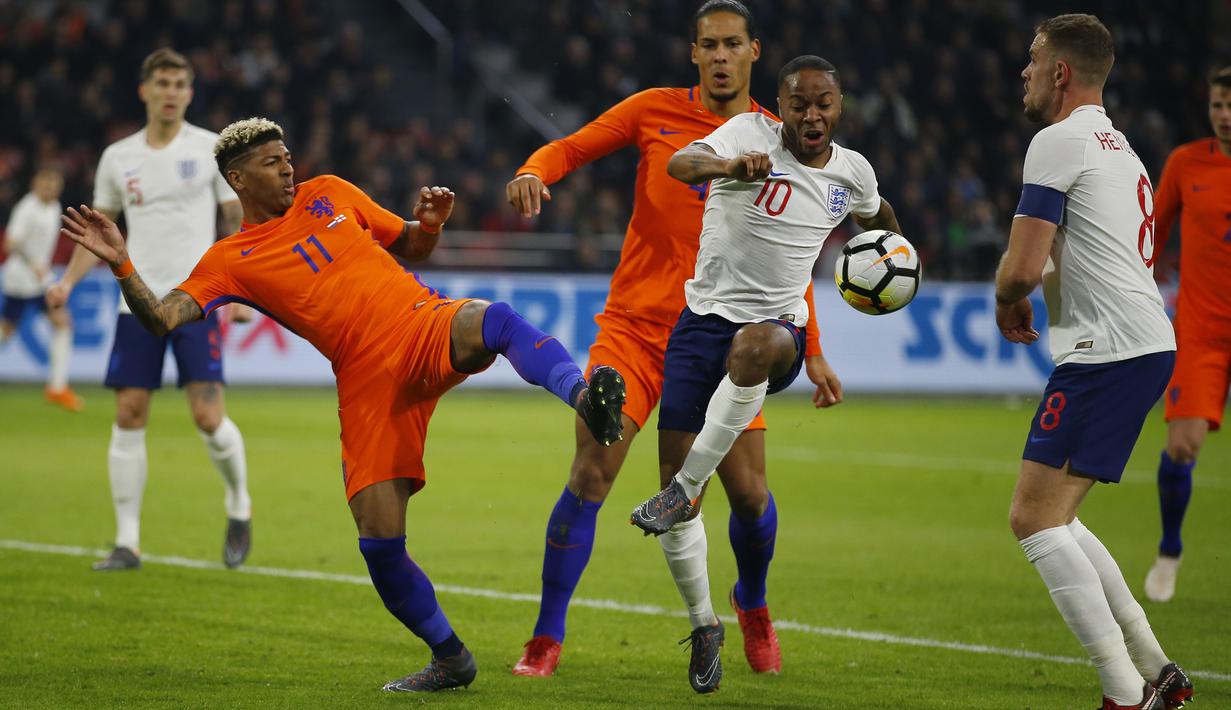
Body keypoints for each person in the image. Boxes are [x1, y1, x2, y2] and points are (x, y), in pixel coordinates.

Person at [59, 116, 626, 693]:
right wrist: (123, 265)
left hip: (418, 323)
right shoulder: (229, 260)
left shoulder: (330, 192)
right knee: (379, 543)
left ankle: (584, 397)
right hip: (365, 380)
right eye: (271, 162)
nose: (288, 167)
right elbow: (160, 319)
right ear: (237, 179)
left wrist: (428, 225)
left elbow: (411, 245)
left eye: (287, 156)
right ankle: (450, 657)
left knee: (493, 320)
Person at [504, 0, 842, 685]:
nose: (720, 56)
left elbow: (792, 254)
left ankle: (751, 602)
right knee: (591, 472)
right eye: (708, 45)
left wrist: (809, 347)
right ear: (693, 53)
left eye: (732, 45)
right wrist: (536, 168)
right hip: (634, 327)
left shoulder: (784, 141)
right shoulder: (652, 110)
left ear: (754, 52)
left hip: (729, 338)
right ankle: (546, 636)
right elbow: (569, 147)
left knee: (747, 495)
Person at [629, 54, 899, 693]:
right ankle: (705, 624)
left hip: (777, 333)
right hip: (701, 325)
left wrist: (899, 259)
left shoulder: (852, 172)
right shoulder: (745, 135)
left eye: (823, 104)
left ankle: (745, 588)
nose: (811, 115)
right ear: (780, 106)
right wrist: (729, 166)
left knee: (751, 351)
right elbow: (679, 164)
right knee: (743, 496)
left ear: (839, 107)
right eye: (799, 104)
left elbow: (877, 215)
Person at [993, 14, 1192, 710]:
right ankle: (1154, 669)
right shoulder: (1119, 147)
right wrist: (1032, 284)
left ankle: (1123, 693)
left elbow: (1020, 267)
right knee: (1060, 515)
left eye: (1031, 57)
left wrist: (1004, 298)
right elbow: (1060, 254)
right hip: (1134, 344)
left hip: (1106, 353)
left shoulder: (1056, 141)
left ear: (1058, 72)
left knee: (1032, 518)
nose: (1022, 70)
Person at [46, 48, 254, 571]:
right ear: (145, 90)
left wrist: (243, 291)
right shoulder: (119, 157)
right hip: (135, 303)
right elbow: (98, 233)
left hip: (197, 300)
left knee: (208, 418)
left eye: (179, 83)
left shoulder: (210, 149)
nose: (170, 92)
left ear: (189, 92)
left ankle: (239, 504)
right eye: (161, 82)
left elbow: (237, 223)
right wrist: (66, 284)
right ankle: (127, 542)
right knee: (129, 414)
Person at [1142, 65, 1231, 604]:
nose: (1225, 115)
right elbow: (1149, 238)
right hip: (1201, 329)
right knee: (1181, 446)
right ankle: (1170, 548)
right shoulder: (1185, 162)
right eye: (1219, 104)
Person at [1, 165, 82, 411]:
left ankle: (57, 388)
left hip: (40, 281)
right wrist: (33, 264)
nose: (50, 189)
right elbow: (11, 242)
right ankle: (57, 388)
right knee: (6, 331)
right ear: (35, 184)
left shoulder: (54, 207)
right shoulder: (27, 208)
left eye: (54, 184)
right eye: (46, 184)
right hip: (21, 280)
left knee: (62, 323)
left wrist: (41, 269)